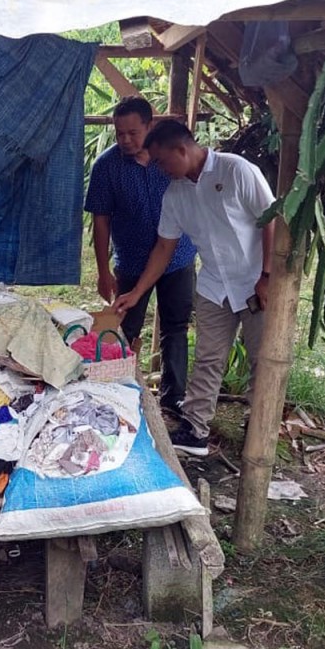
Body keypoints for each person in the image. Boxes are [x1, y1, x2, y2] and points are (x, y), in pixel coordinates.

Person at [114, 119, 275, 456]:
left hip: (255, 281)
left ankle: (259, 431)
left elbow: (270, 219)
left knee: (263, 361)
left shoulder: (236, 171)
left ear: (182, 150)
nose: (159, 169)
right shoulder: (174, 194)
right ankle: (195, 431)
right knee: (207, 359)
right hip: (215, 284)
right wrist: (138, 292)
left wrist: (268, 275)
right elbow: (163, 248)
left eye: (161, 161)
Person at [84, 97, 197, 415]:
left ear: (150, 126)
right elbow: (101, 219)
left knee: (175, 326)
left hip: (178, 256)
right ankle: (115, 392)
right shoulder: (106, 167)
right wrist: (104, 270)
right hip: (131, 262)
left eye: (133, 132)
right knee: (123, 326)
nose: (125, 140)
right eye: (119, 133)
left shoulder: (170, 159)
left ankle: (173, 398)